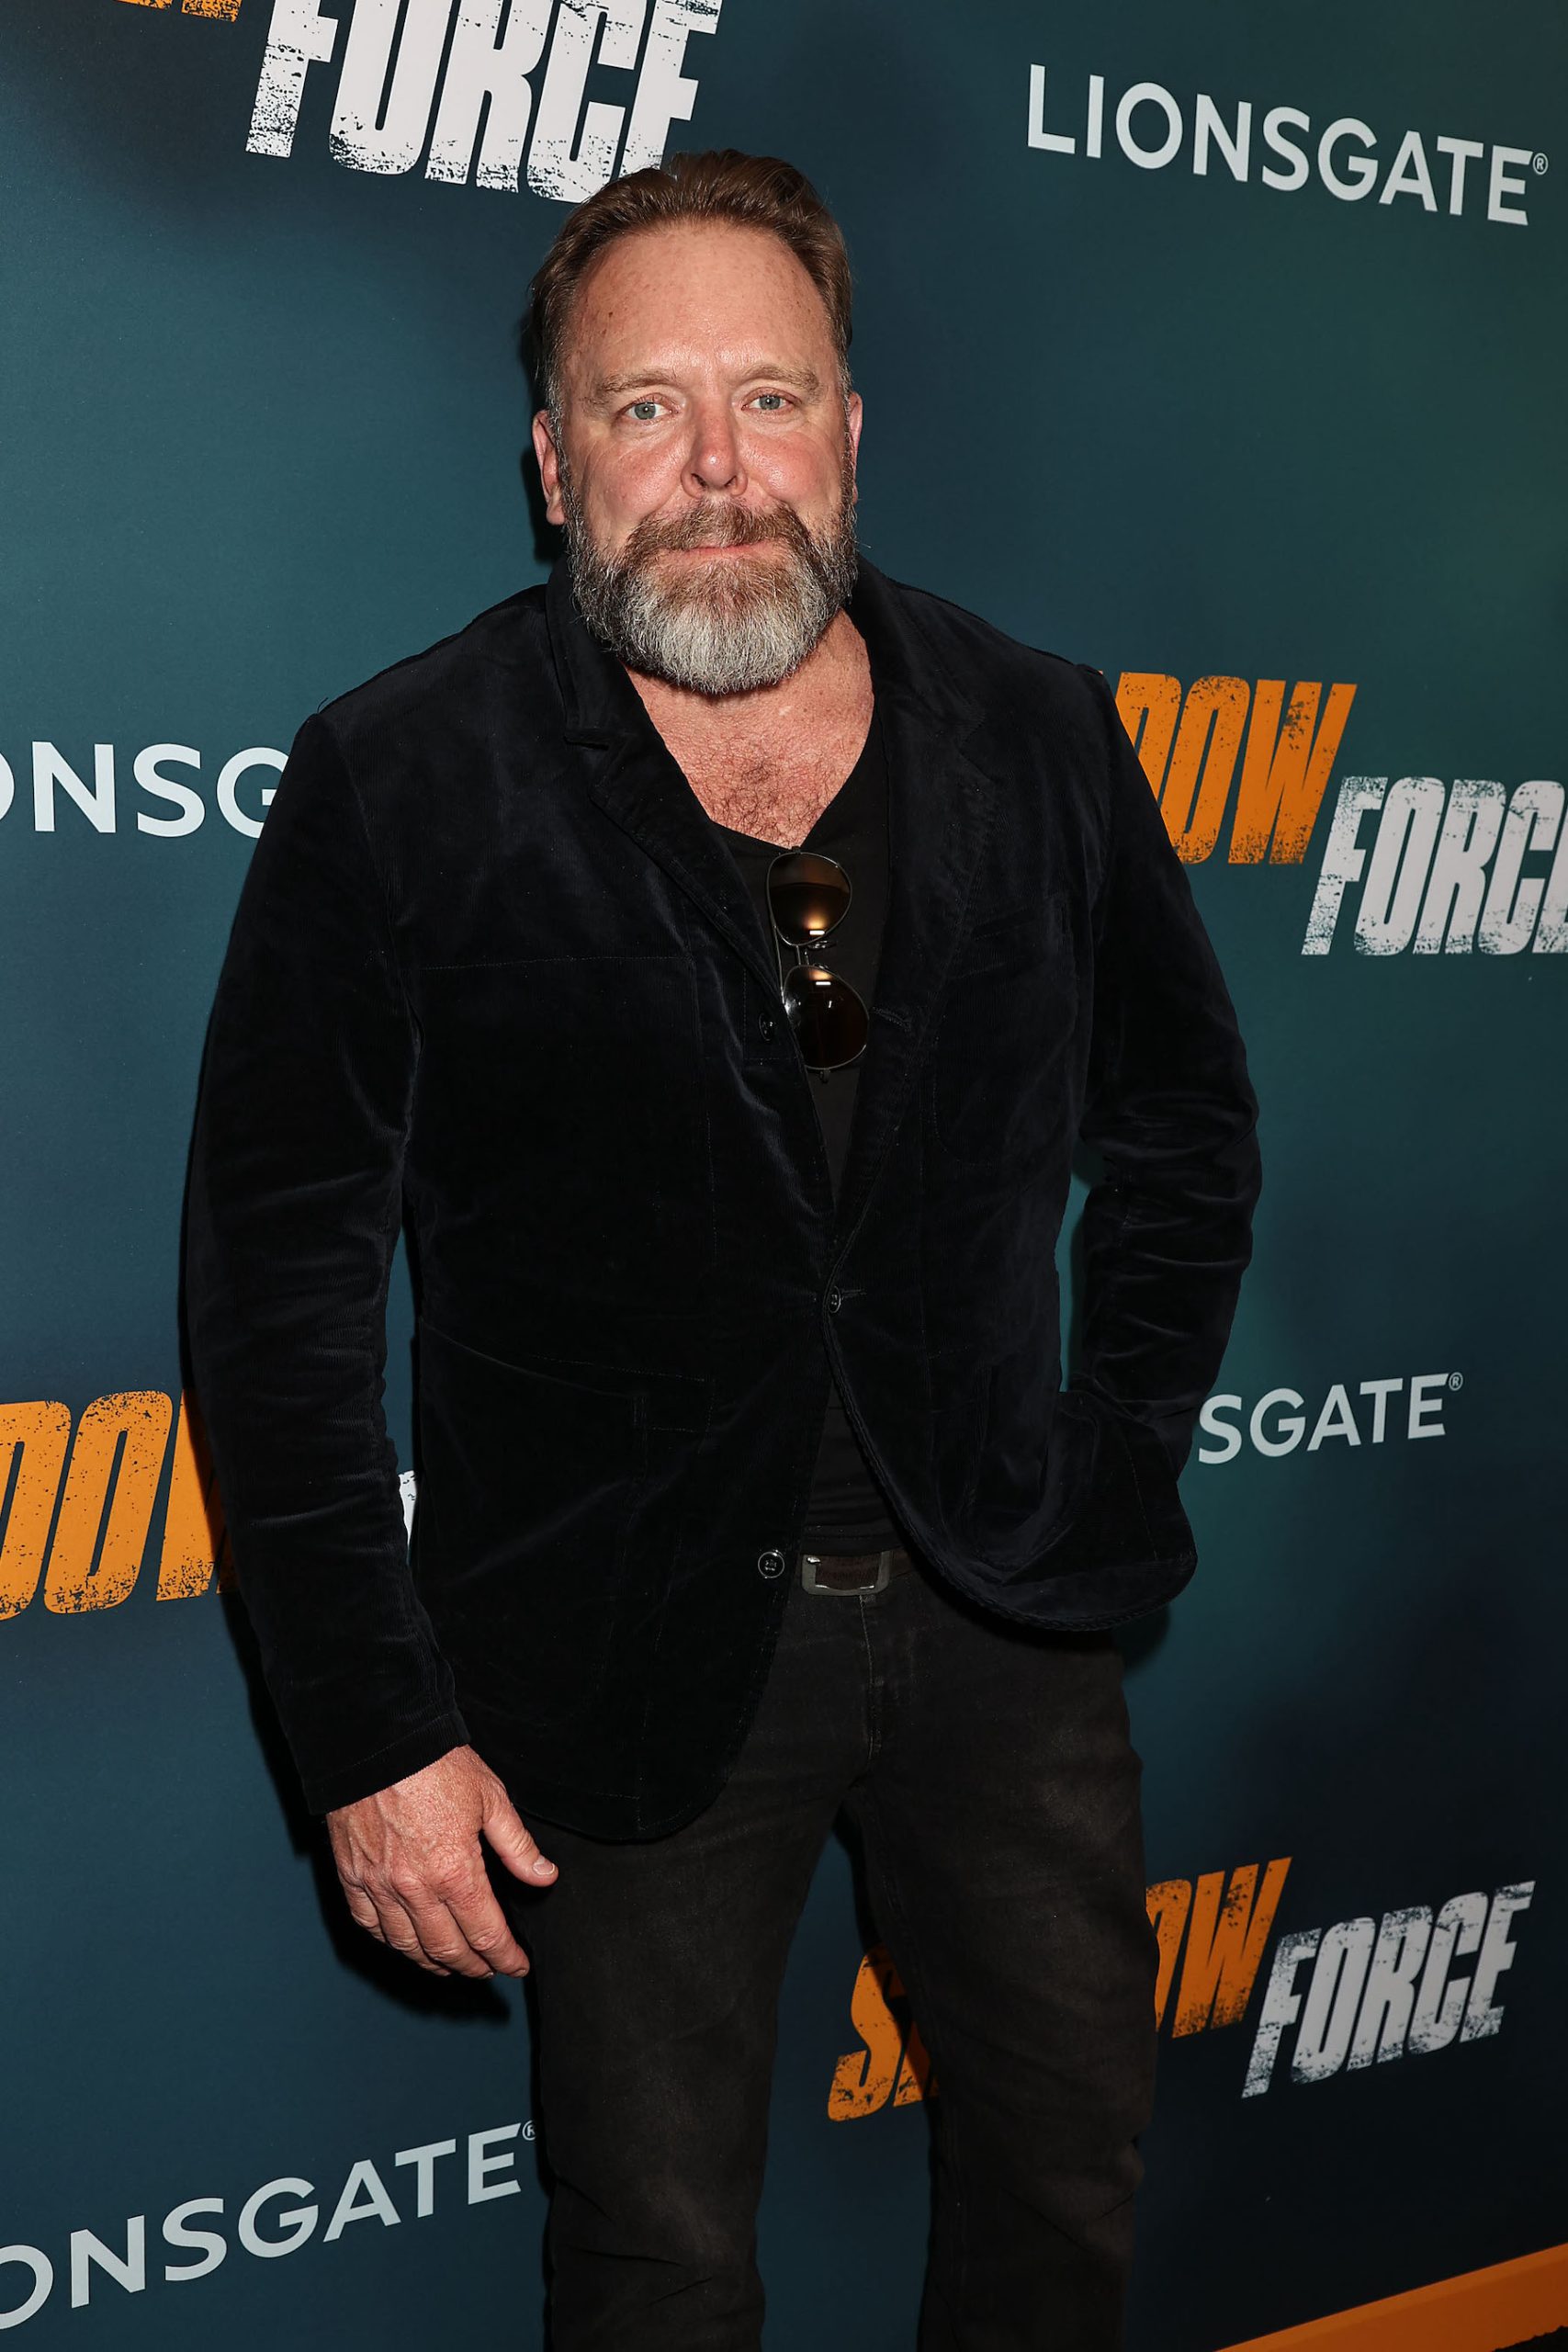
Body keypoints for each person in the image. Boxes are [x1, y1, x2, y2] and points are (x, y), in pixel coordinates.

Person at [184, 148, 1262, 2351]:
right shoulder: (400, 776)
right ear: (550, 464)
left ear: (846, 431)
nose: (713, 468)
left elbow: (1183, 1130)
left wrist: (1108, 1459)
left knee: (1061, 2173)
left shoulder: (1041, 730)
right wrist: (373, 1731)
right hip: (621, 1653)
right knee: (659, 2265)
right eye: (643, 406)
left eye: (766, 399)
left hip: (1002, 1615)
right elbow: (277, 1295)